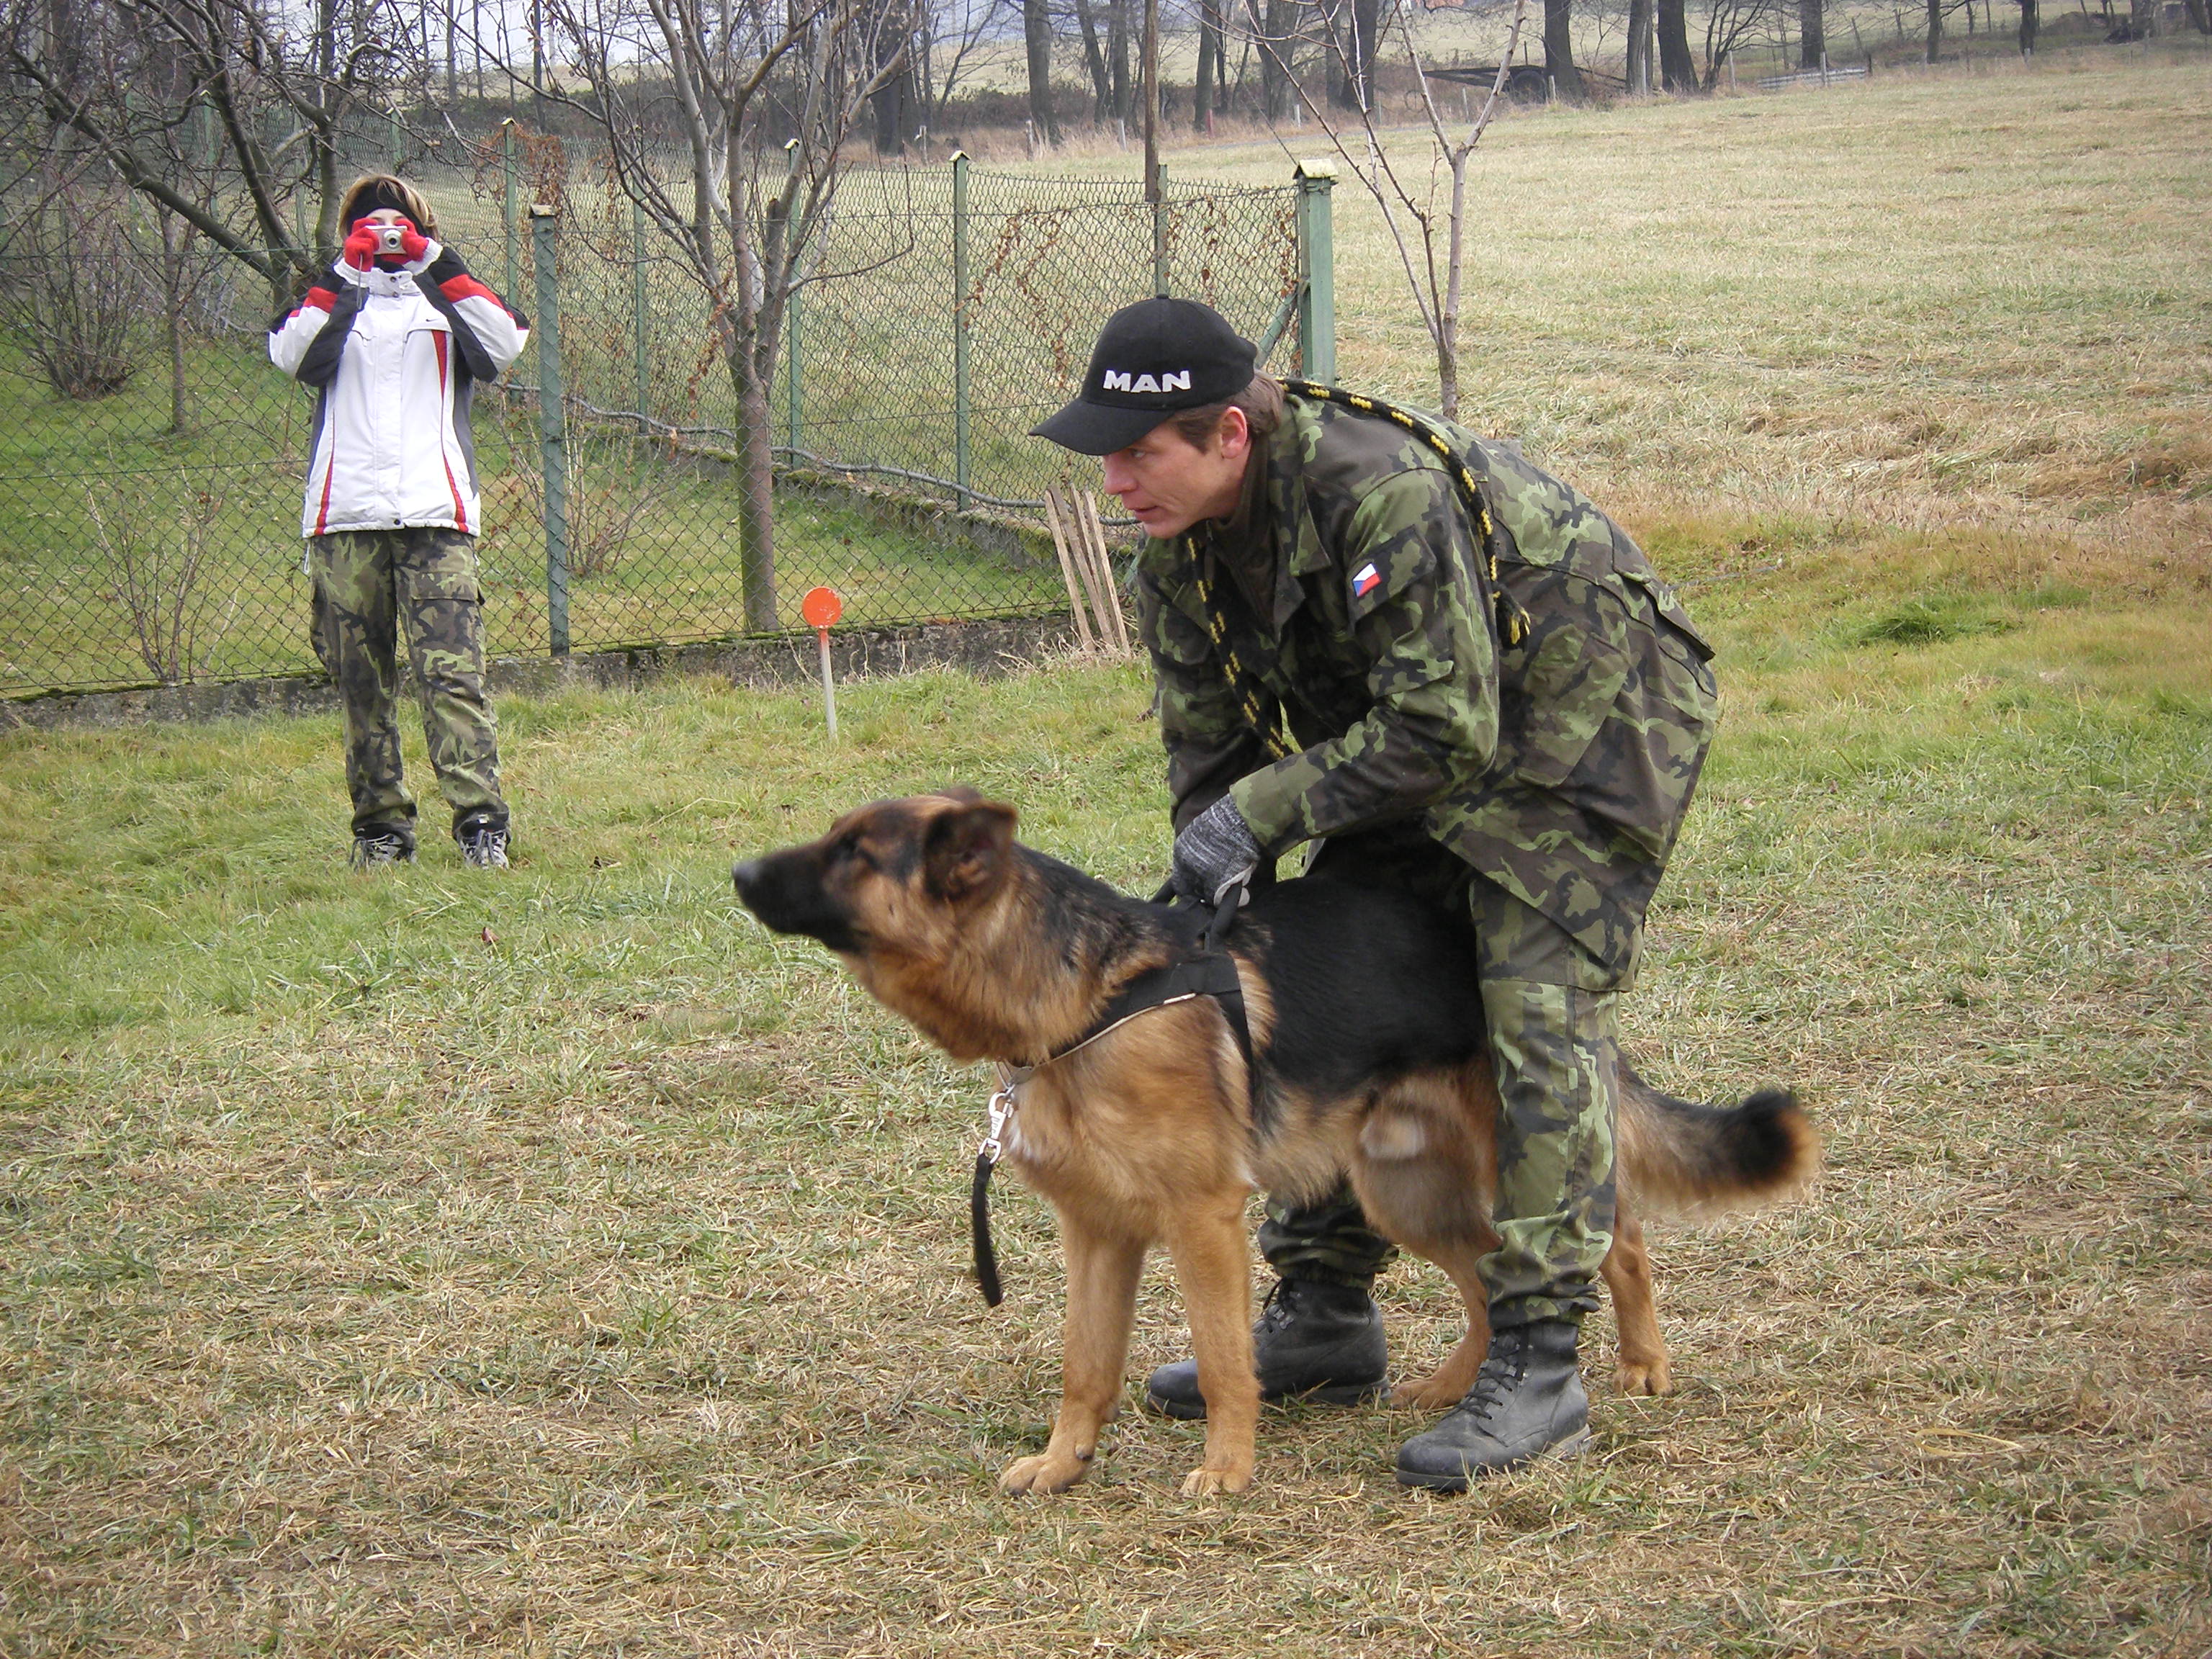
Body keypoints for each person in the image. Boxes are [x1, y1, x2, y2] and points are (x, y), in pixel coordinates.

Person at [1030, 297, 1717, 1489]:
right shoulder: (1174, 554)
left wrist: (1261, 814)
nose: (1116, 479)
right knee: (1330, 956)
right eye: (1107, 453)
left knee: (1522, 991)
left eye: (1140, 452)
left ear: (1227, 438)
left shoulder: (1374, 491)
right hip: (1409, 739)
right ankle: (1326, 1311)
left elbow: (1447, 728)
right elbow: (1216, 768)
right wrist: (1206, 896)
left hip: (1584, 718)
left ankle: (1540, 1355)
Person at [269, 175, 530, 870]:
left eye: (398, 225)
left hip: (435, 519)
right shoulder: (330, 301)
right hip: (345, 518)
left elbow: (503, 345)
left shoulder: (447, 302)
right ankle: (381, 829)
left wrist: (432, 261)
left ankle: (481, 825)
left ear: (421, 228)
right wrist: (345, 272)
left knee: (454, 677)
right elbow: (293, 355)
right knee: (363, 683)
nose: (383, 235)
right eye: (369, 225)